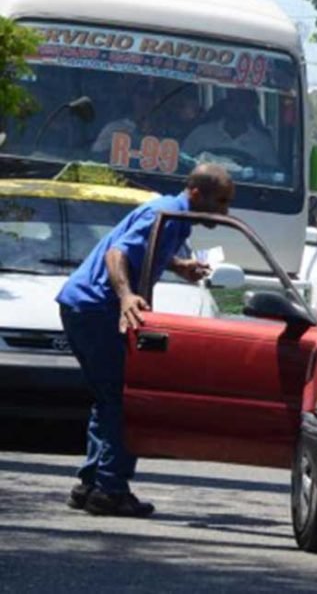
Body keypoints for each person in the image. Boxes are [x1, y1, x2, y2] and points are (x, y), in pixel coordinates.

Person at [56, 164, 235, 518]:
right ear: (196, 194)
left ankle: (92, 483)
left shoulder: (174, 217)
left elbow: (142, 250)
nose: (225, 211)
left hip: (83, 306)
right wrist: (126, 296)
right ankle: (110, 490)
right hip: (96, 308)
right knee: (125, 399)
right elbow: (116, 254)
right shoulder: (163, 214)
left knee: (110, 397)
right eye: (221, 201)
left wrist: (178, 265)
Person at [182, 90, 275, 165]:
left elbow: (273, 175)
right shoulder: (201, 133)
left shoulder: (263, 142)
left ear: (251, 107)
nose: (236, 106)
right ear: (225, 103)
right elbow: (182, 162)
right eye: (232, 100)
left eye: (242, 102)